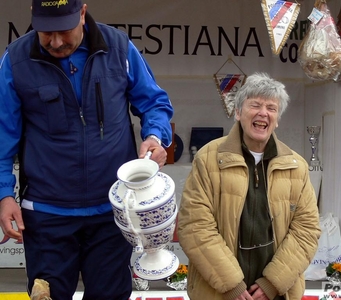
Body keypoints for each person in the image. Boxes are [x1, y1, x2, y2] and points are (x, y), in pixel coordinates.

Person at [0, 1, 173, 299]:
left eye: (63, 31)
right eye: (45, 32)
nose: (55, 42)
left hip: (112, 213)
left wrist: (155, 136)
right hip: (46, 214)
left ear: (82, 13)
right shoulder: (15, 59)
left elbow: (154, 103)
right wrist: (4, 193)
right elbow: (2, 135)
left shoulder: (119, 48)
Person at [178, 72, 320, 300]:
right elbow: (194, 227)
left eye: (271, 108)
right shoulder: (208, 159)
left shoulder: (296, 166)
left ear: (277, 119)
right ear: (238, 112)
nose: (263, 113)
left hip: (277, 294)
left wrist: (273, 283)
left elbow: (306, 231)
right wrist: (232, 285)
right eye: (255, 105)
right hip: (219, 293)